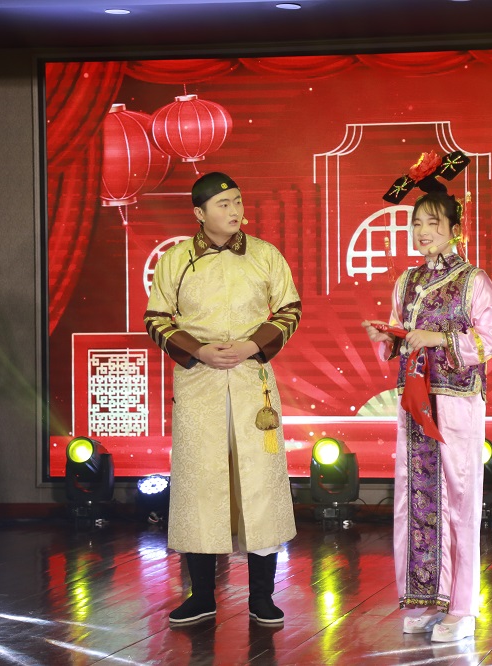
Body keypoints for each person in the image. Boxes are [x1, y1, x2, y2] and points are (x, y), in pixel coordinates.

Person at [144, 171, 301, 627]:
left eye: (237, 201)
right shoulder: (176, 260)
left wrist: (253, 345)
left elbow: (290, 309)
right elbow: (156, 318)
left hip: (253, 382)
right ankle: (201, 596)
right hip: (200, 384)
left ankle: (262, 597)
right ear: (199, 213)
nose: (235, 210)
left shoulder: (265, 255)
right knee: (200, 484)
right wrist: (199, 350)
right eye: (223, 204)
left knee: (259, 484)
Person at [361, 153, 492, 643]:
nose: (423, 232)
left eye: (433, 223)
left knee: (459, 500)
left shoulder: (473, 281)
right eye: (417, 224)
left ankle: (461, 609)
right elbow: (399, 341)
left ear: (455, 230)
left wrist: (438, 339)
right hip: (415, 402)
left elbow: (488, 340)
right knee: (416, 500)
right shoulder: (407, 281)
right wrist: (387, 336)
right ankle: (426, 599)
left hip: (457, 401)